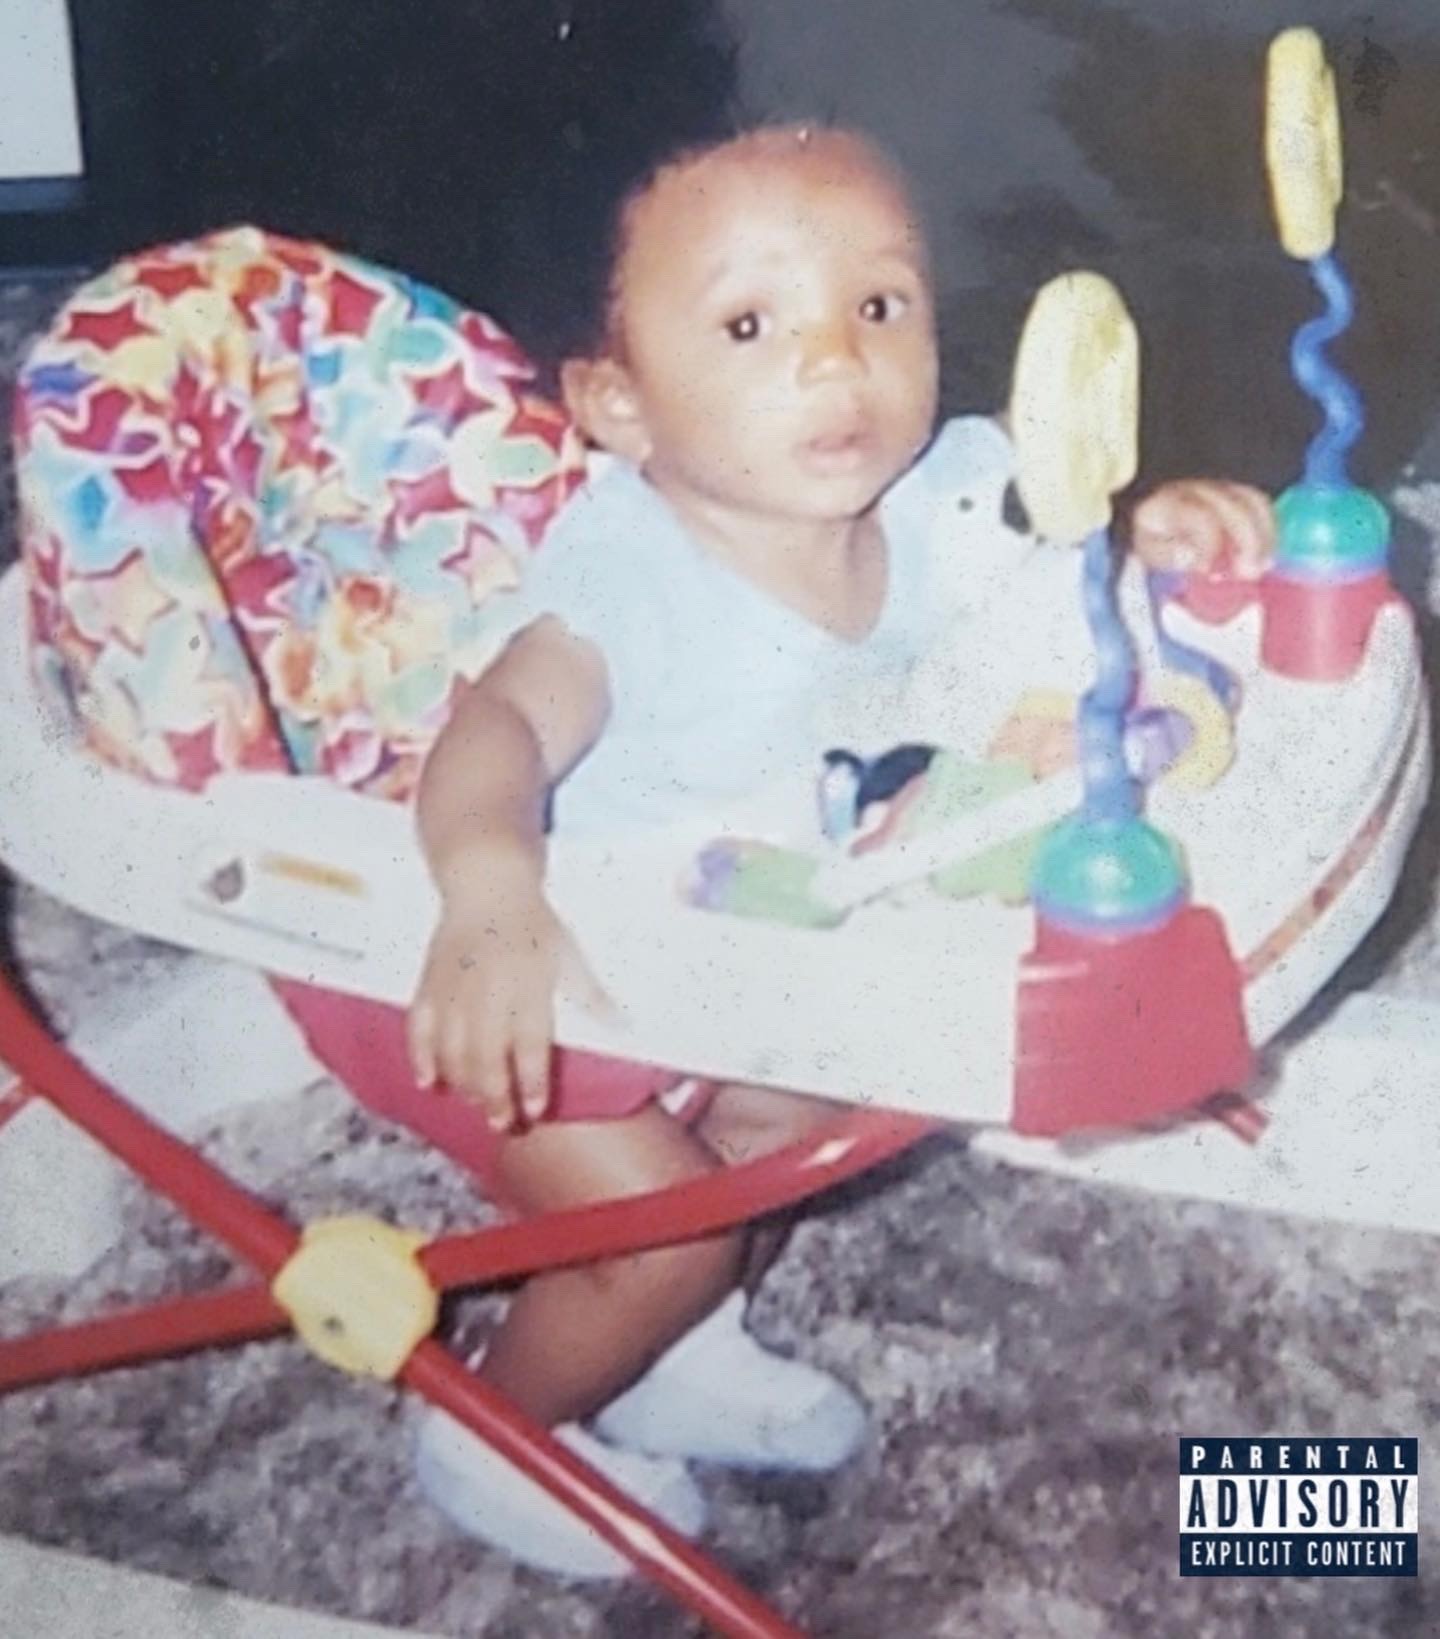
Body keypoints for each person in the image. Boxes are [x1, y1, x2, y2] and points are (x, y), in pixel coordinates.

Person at [405, 124, 1276, 1576]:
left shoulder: (944, 497)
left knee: (803, 1126)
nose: (834, 358)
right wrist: (489, 887)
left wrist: (1155, 534)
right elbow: (492, 730)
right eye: (751, 326)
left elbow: (1071, 585)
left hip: (750, 953)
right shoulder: (632, 577)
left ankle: (674, 1349)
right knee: (667, 1226)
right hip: (560, 981)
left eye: (879, 304)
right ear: (618, 405)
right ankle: (492, 1425)